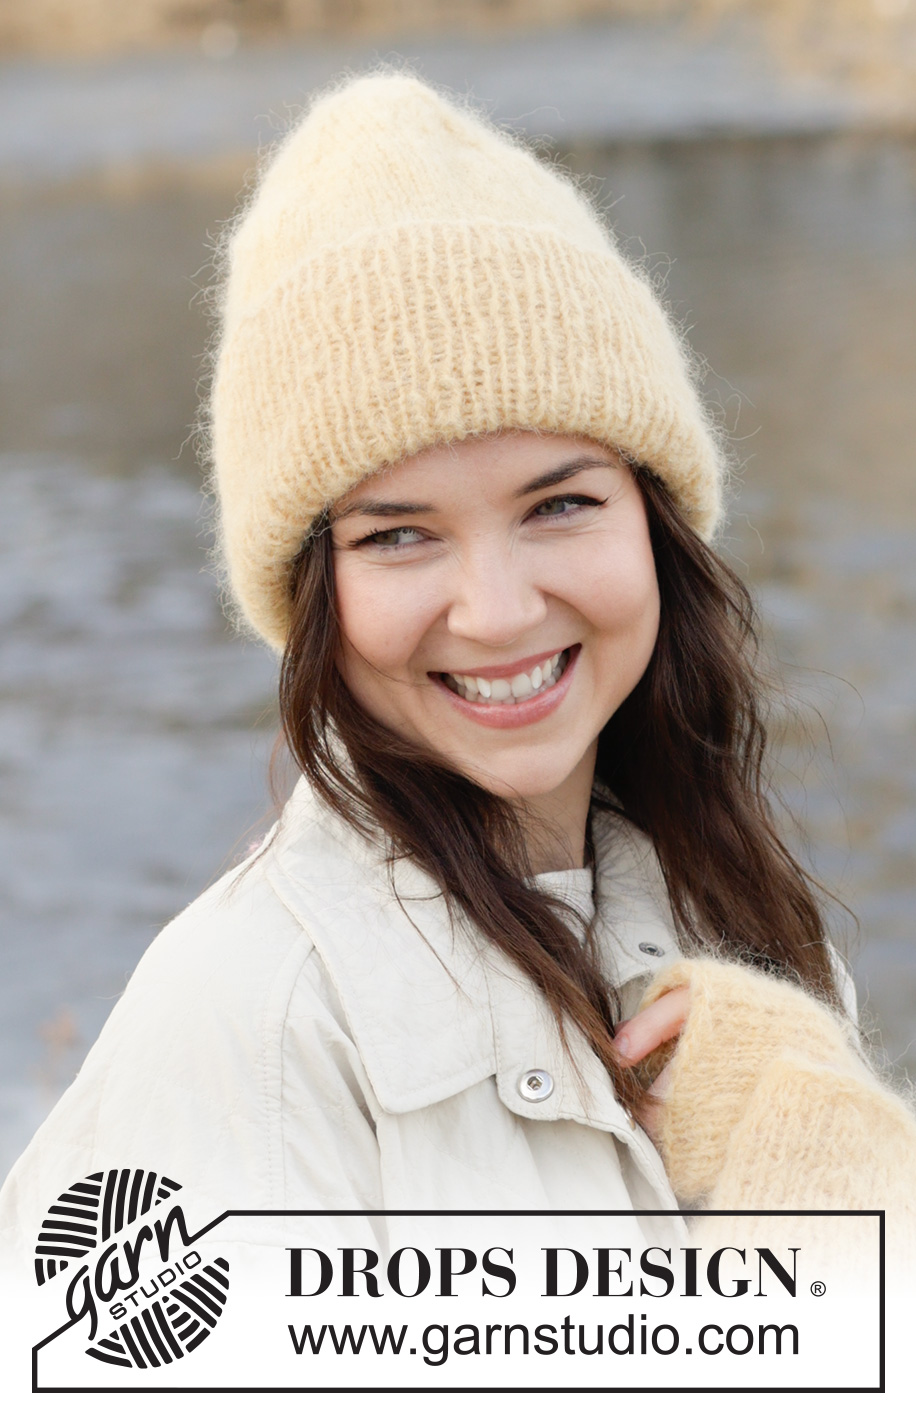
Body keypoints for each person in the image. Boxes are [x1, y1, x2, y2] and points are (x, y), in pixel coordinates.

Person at [1, 72, 914, 1267]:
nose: (494, 610)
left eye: (560, 505)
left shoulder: (730, 930)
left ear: (657, 520)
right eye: (398, 533)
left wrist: (842, 1166)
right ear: (313, 589)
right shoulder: (245, 1028)